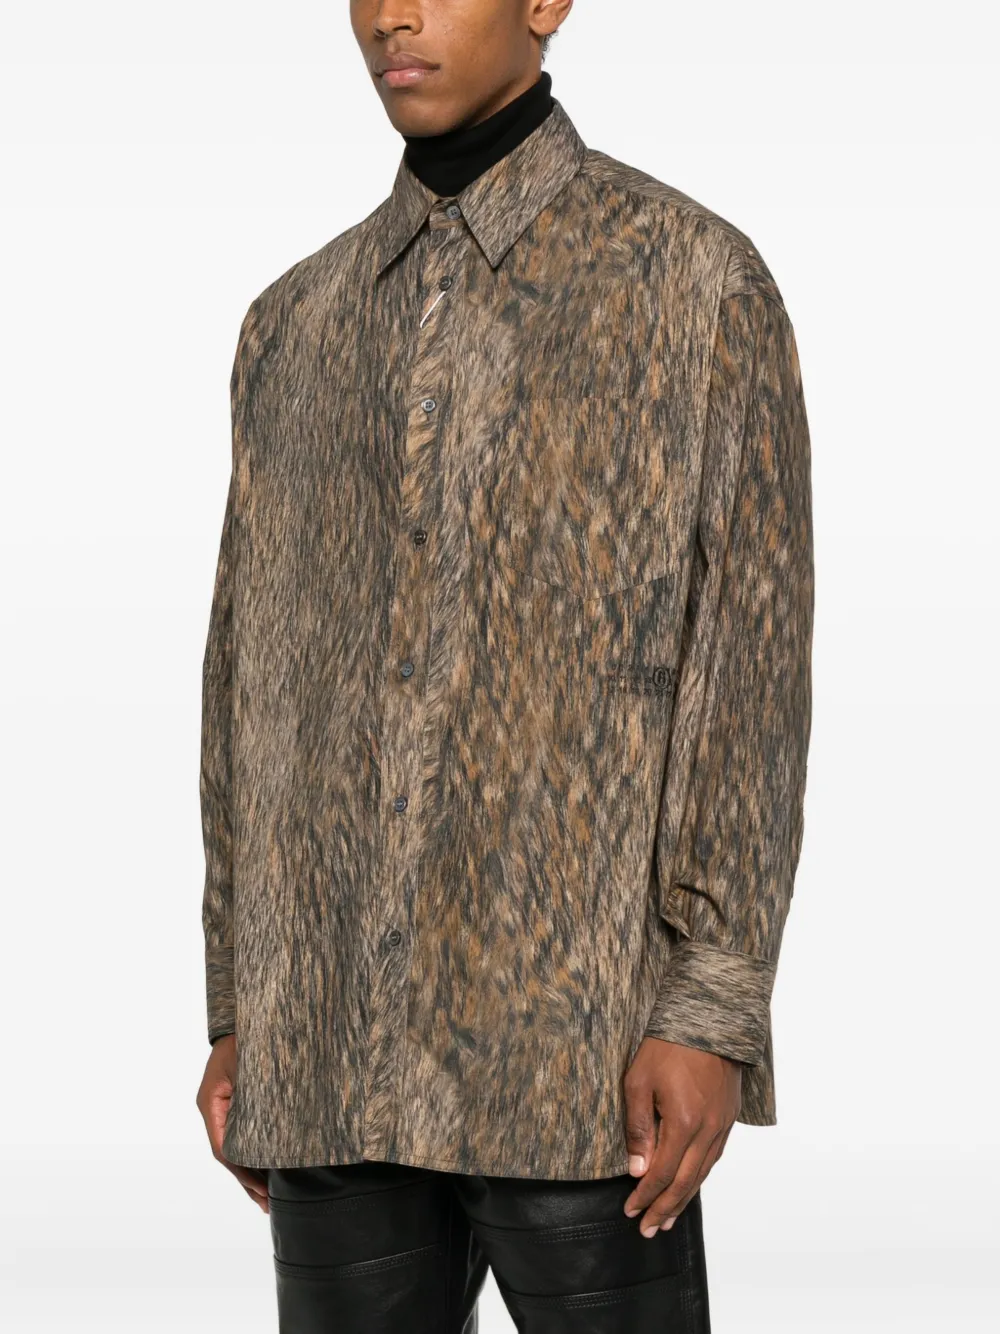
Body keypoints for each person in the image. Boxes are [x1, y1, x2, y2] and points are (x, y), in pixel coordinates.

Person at [195, 1, 815, 1328]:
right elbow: (244, 686)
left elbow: (748, 674)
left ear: (546, 1)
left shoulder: (691, 281)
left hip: (582, 1064)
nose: (391, 16)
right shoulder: (292, 325)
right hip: (331, 1053)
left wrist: (711, 1010)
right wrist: (240, 999)